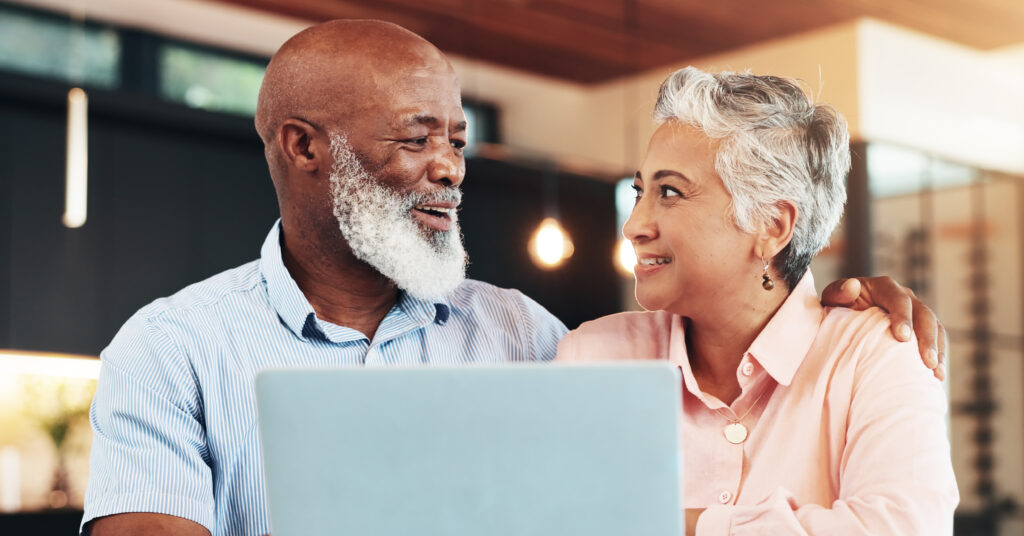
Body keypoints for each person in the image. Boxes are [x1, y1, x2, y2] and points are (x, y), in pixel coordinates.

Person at [83, 20, 947, 536]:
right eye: (416, 138)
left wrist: (841, 294)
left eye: (457, 141)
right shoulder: (172, 350)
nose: (451, 168)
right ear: (304, 147)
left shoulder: (525, 335)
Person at [555, 67, 959, 535]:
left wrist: (680, 524)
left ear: (772, 225)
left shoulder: (874, 354)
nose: (634, 225)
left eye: (669, 192)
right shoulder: (594, 355)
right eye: (639, 191)